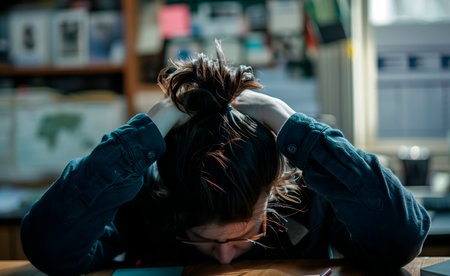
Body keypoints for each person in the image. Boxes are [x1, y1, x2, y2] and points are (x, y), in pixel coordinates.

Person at [21, 41, 430, 276]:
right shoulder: (144, 197)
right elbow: (50, 249)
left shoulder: (314, 191)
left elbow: (402, 238)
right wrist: (149, 126)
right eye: (202, 239)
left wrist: (289, 123)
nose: (225, 257)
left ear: (273, 192)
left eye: (244, 235)